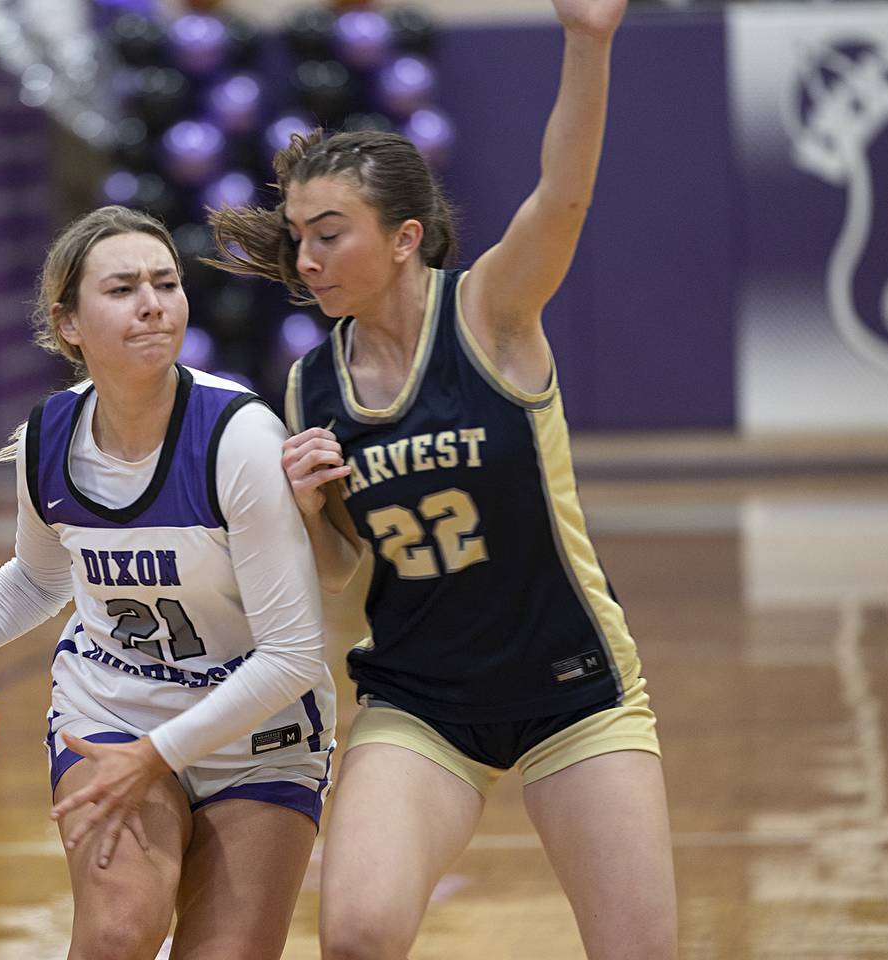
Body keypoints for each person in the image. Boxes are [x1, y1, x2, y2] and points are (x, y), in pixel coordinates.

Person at [208, 2, 678, 958]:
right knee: (358, 936)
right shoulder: (311, 381)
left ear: (405, 238)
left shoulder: (494, 315)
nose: (305, 258)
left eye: (329, 233)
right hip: (422, 700)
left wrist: (587, 44)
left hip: (572, 688)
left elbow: (564, 196)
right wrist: (305, 511)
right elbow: (339, 570)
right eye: (298, 235)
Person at [0, 205, 336, 960]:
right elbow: (39, 582)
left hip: (258, 731)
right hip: (114, 711)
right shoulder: (49, 435)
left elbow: (294, 655)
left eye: (166, 283)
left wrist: (158, 755)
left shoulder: (237, 438)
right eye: (123, 288)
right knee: (115, 933)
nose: (152, 303)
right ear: (67, 322)